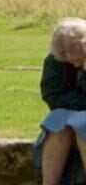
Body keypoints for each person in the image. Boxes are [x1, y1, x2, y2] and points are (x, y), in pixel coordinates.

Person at [40, 18, 86, 185]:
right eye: (69, 61)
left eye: (78, 60)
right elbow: (52, 95)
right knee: (57, 121)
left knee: (82, 123)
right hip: (71, 111)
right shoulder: (55, 60)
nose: (74, 64)